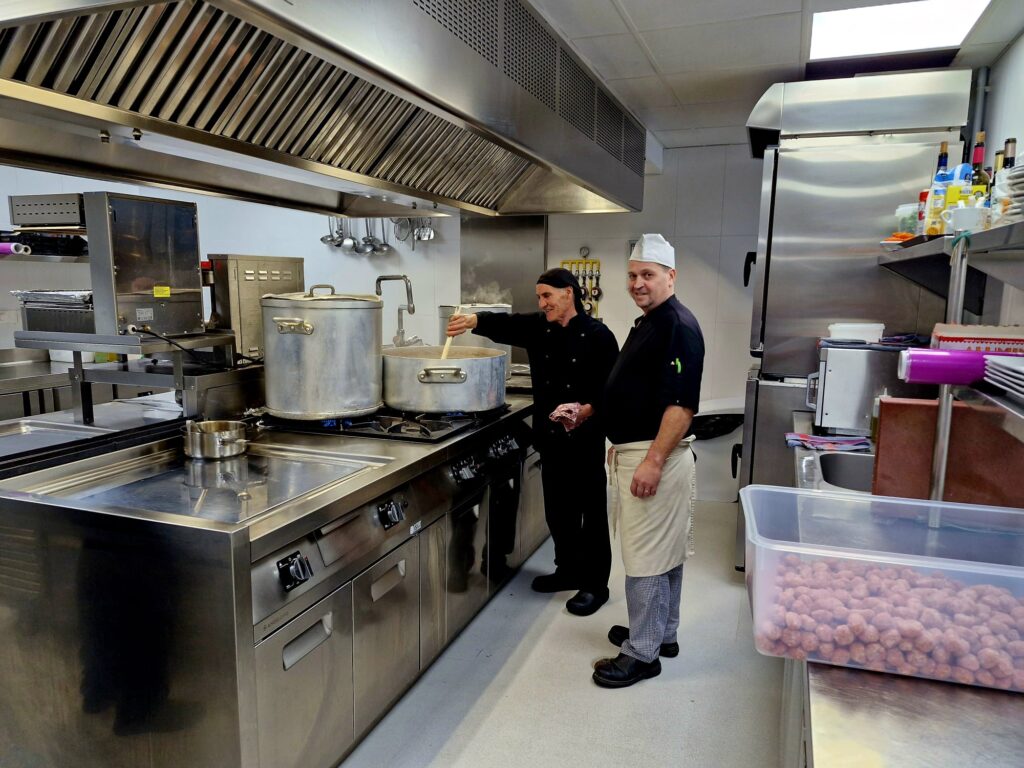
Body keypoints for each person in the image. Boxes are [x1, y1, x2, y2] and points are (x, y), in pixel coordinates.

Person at [446, 268, 619, 616]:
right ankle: (567, 570)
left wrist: (586, 410)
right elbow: (506, 325)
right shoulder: (540, 328)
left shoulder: (599, 336)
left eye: (547, 296)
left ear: (568, 293)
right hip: (550, 438)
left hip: (584, 440)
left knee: (591, 514)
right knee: (558, 509)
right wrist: (473, 320)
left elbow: (612, 389)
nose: (542, 303)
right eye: (539, 297)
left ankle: (595, 585)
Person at [593, 234, 705, 688]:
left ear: (670, 276)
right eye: (632, 275)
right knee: (665, 552)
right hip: (641, 450)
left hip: (655, 457)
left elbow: (681, 405)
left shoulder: (677, 325)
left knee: (645, 559)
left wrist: (653, 460)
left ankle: (642, 654)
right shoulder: (651, 321)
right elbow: (637, 387)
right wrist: (604, 420)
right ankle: (662, 634)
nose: (637, 283)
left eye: (648, 274)